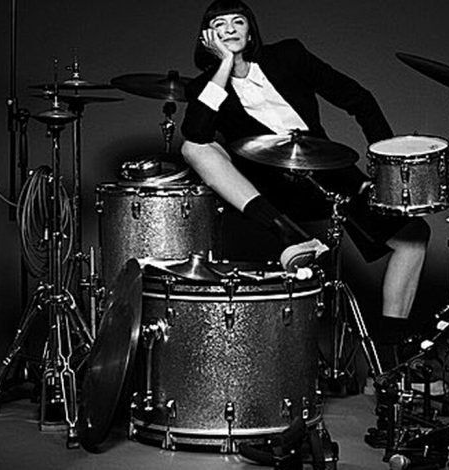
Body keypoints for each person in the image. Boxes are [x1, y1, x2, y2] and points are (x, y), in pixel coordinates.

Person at [180, 0, 430, 328]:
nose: (230, 29)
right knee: (193, 148)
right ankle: (288, 234)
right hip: (269, 190)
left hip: (324, 174)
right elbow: (196, 132)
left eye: (238, 21)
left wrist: (387, 171)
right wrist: (225, 63)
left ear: (250, 31)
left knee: (413, 236)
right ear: (207, 38)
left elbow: (359, 99)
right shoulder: (204, 87)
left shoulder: (289, 56)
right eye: (219, 24)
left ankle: (392, 340)